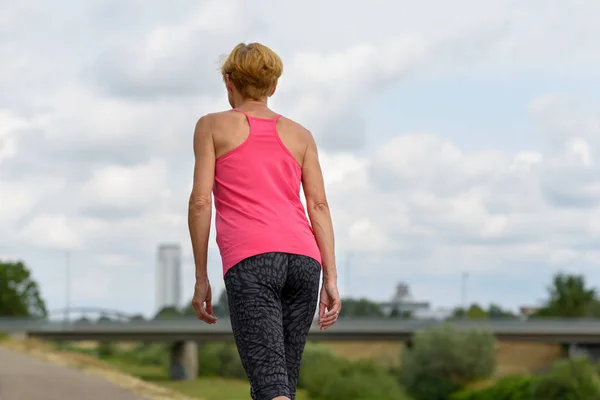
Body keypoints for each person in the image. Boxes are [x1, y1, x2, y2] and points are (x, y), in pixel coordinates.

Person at [188, 42, 342, 400]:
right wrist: (331, 277)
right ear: (273, 86)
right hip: (305, 263)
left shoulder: (212, 126)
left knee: (271, 384)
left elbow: (200, 202)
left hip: (252, 261)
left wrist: (201, 277)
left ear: (229, 82)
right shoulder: (301, 135)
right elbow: (318, 205)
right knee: (278, 381)